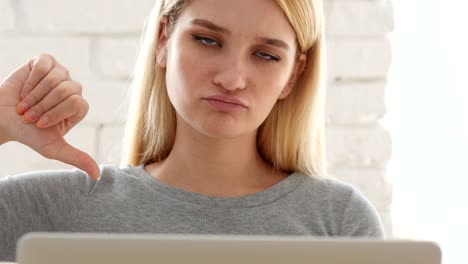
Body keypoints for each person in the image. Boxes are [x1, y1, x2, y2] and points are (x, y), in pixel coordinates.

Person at [0, 0, 385, 261]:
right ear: (163, 40)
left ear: (293, 75)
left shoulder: (338, 220)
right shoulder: (61, 208)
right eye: (207, 40)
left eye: (266, 55)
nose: (232, 78)